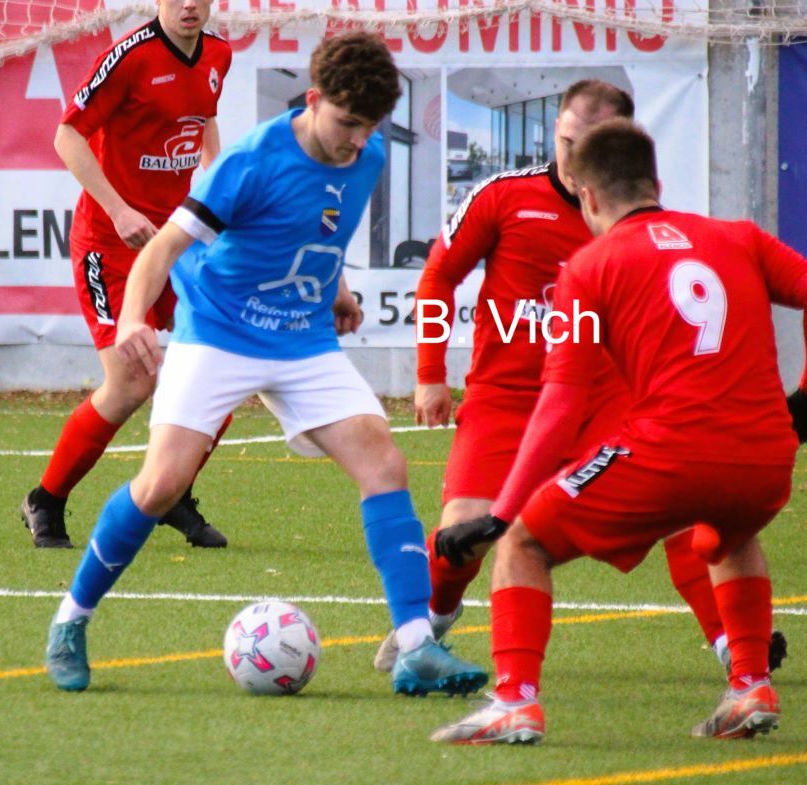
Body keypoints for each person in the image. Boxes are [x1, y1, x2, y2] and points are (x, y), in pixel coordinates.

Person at [43, 31, 488, 698]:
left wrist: (337, 290)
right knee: (160, 485)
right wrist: (133, 319)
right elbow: (161, 250)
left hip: (302, 340)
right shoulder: (250, 161)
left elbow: (319, 228)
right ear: (312, 100)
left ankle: (417, 646)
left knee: (383, 463)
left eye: (369, 126)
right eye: (346, 122)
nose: (357, 140)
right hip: (218, 331)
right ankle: (71, 620)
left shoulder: (364, 156)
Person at [430, 119, 807, 744]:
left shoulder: (589, 265)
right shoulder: (738, 236)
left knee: (522, 543)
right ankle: (750, 684)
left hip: (668, 451)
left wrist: (501, 513)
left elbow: (560, 403)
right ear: (657, 185)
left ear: (588, 196)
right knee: (730, 536)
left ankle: (514, 701)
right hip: (764, 455)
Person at [373, 80, 785, 677]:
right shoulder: (503, 196)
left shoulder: (637, 220)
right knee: (464, 529)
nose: (571, 158)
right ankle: (430, 624)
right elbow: (439, 277)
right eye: (565, 141)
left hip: (603, 403)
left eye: (586, 143)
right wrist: (430, 374)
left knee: (687, 517)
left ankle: (733, 647)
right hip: (506, 399)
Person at [20, 0, 232, 549]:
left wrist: (217, 178)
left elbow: (203, 118)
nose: (190, 5)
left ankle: (172, 490)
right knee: (131, 382)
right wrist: (118, 210)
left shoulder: (218, 53)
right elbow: (67, 136)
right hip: (110, 243)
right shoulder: (129, 58)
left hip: (175, 241)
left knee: (223, 367)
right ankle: (46, 499)